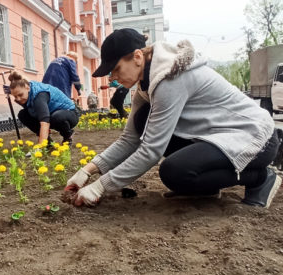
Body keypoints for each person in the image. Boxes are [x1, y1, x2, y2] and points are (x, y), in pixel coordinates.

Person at [63, 28, 281, 208]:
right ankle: (206, 187)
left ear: (138, 57)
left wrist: (100, 186)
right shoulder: (146, 83)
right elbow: (129, 139)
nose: (114, 77)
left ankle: (260, 178)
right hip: (217, 136)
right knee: (142, 121)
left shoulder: (169, 80)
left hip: (255, 137)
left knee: (174, 172)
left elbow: (151, 151)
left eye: (117, 69)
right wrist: (87, 171)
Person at [4, 71, 79, 145]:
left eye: (20, 95)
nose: (18, 99)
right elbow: (30, 109)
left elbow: (44, 122)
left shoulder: (39, 95)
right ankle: (48, 143)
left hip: (70, 114)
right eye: (15, 96)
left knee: (56, 117)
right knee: (23, 114)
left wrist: (40, 147)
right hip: (51, 113)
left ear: (27, 88)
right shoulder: (27, 89)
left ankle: (67, 137)